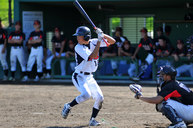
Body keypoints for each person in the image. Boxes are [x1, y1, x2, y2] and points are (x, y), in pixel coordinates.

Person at [61, 26, 115, 126]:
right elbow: (93, 56)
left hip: (89, 77)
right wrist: (99, 40)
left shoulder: (94, 41)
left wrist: (102, 34)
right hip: (79, 76)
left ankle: (92, 120)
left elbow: (112, 41)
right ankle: (68, 105)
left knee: (100, 97)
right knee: (86, 95)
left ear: (86, 37)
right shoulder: (78, 47)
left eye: (79, 36)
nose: (77, 38)